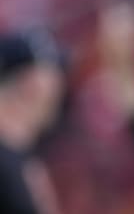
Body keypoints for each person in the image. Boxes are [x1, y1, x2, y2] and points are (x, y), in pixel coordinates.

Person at [0, 29, 65, 214]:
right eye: (55, 72)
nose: (61, 84)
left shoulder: (21, 159)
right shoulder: (6, 166)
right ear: (31, 84)